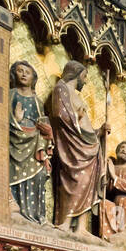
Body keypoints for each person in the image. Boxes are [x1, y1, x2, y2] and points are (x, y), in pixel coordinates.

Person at [48, 61, 108, 230]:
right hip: (73, 146)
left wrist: (99, 132)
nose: (86, 81)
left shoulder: (74, 94)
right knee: (76, 180)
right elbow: (60, 115)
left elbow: (83, 126)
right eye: (85, 76)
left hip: (87, 145)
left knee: (87, 182)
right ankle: (66, 223)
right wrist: (78, 116)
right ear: (78, 74)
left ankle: (82, 228)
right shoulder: (61, 89)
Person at [8, 60, 51, 223]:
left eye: (27, 71)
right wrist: (16, 121)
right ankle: (17, 213)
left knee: (38, 176)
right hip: (15, 142)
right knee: (14, 174)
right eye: (20, 71)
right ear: (14, 75)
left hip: (35, 145)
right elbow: (0, 117)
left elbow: (43, 124)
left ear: (34, 77)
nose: (24, 74)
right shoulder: (10, 94)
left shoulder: (38, 101)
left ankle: (35, 216)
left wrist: (48, 131)